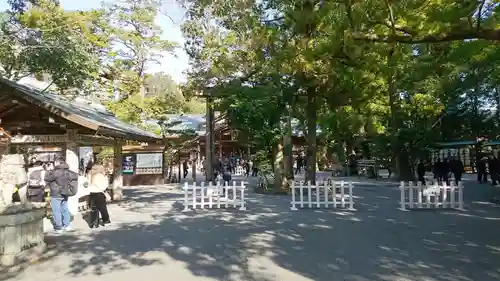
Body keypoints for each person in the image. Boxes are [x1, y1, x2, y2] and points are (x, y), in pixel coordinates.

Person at [44, 156, 78, 234]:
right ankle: (67, 225)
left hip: (56, 194)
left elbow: (47, 179)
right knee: (65, 209)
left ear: (58, 163)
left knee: (56, 211)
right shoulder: (69, 171)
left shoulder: (56, 172)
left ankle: (59, 227)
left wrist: (48, 171)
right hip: (65, 193)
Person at [87, 164, 111, 228]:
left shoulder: (89, 175)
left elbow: (86, 184)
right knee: (103, 209)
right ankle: (106, 221)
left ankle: (94, 223)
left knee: (93, 209)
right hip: (99, 193)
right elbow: (104, 186)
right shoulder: (100, 175)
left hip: (91, 193)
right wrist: (106, 178)